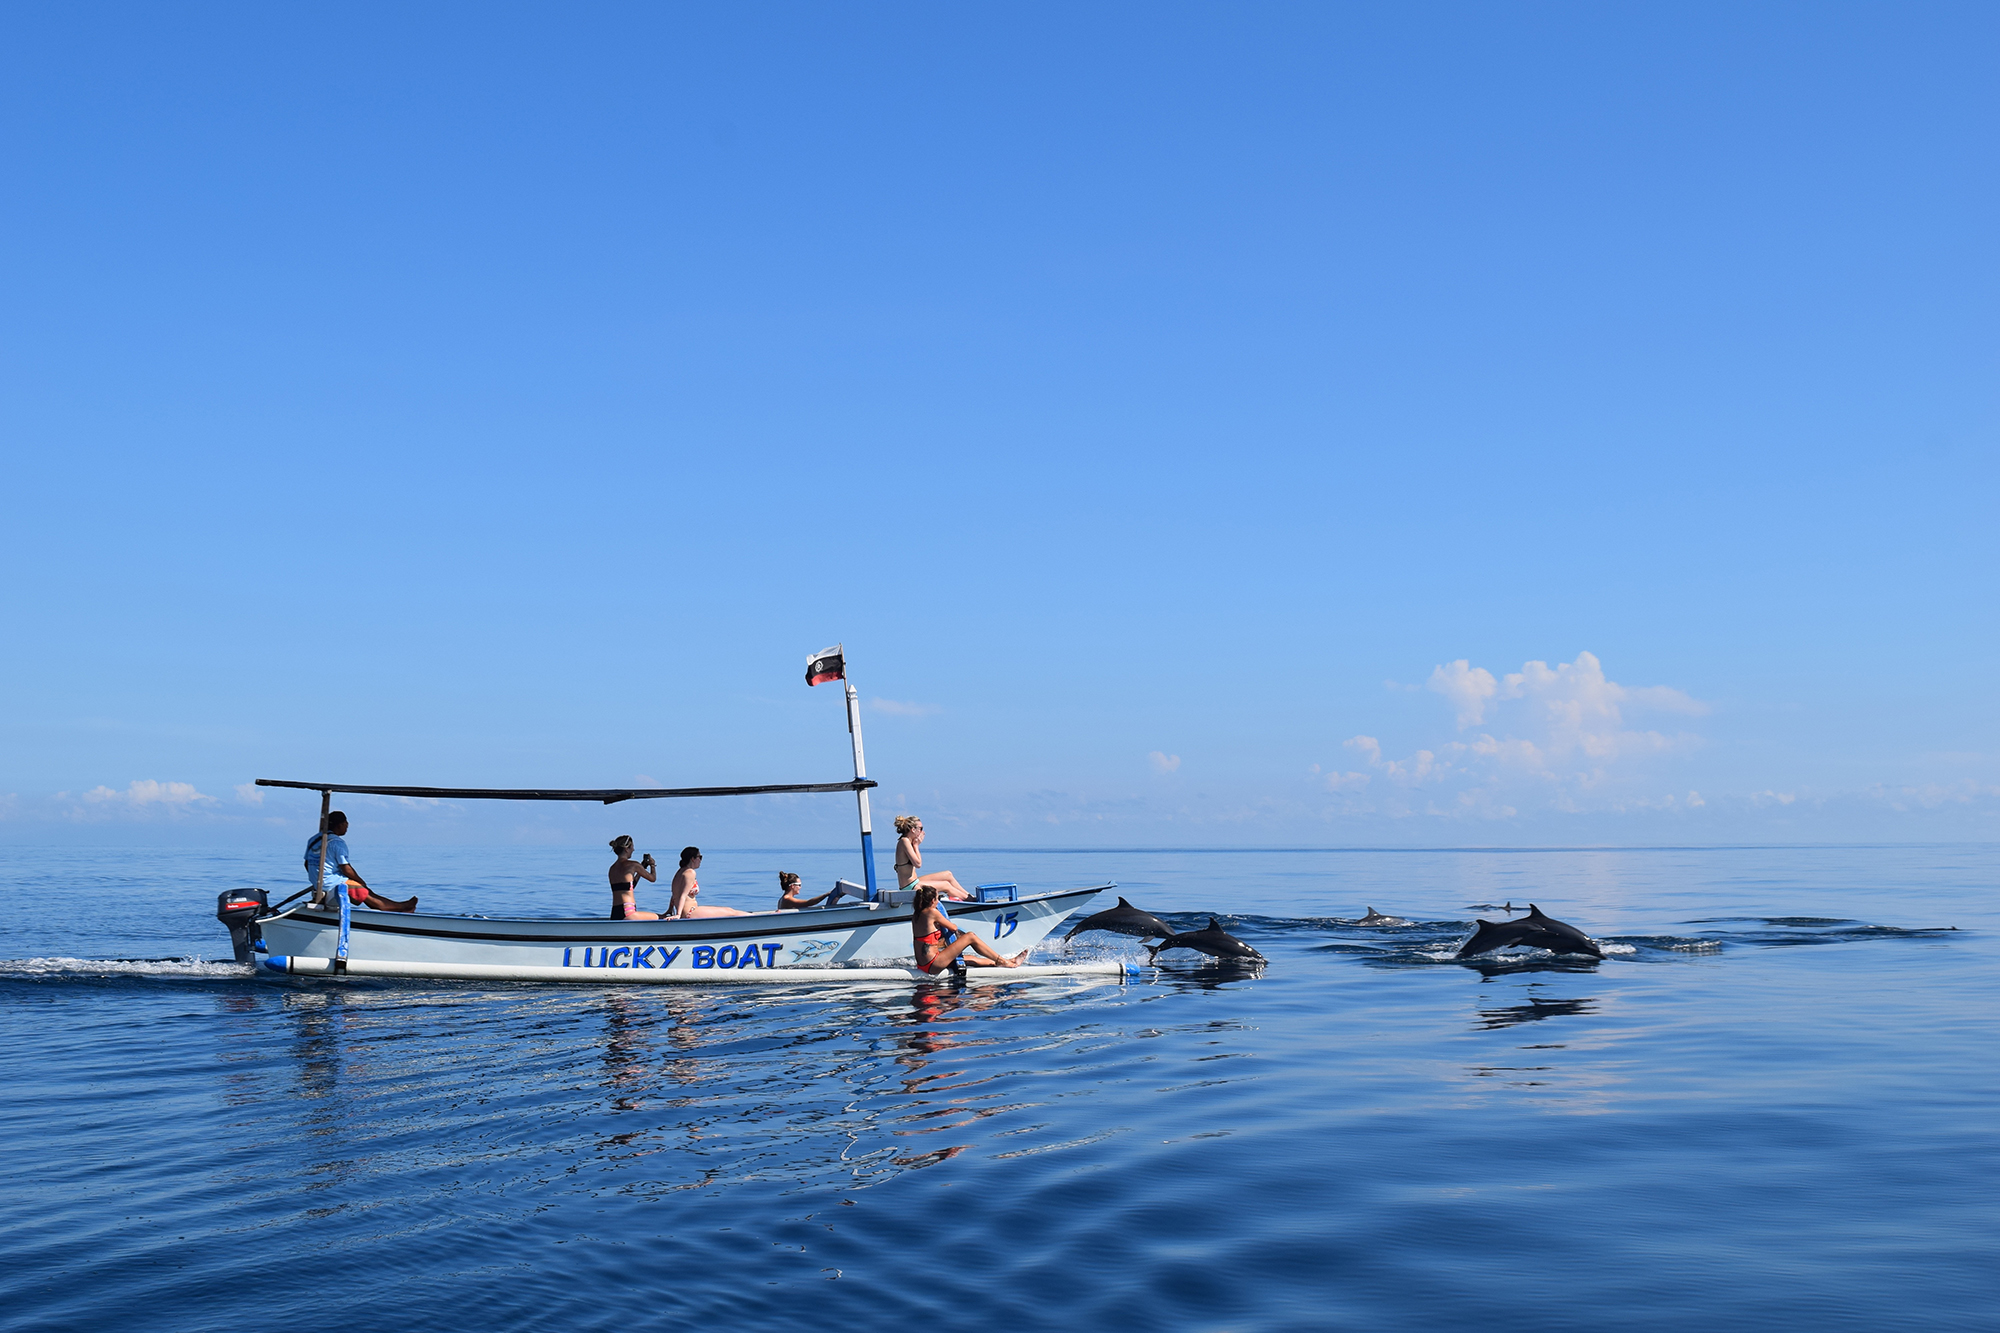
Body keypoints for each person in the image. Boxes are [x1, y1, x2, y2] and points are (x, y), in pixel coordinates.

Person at [305, 812, 418, 912]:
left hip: (319, 882)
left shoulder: (313, 839)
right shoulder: (337, 842)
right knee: (362, 889)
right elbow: (346, 868)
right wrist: (360, 880)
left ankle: (396, 906)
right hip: (332, 882)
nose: (347, 827)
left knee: (365, 890)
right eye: (346, 824)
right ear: (340, 825)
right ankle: (399, 907)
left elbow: (306, 864)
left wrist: (318, 879)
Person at [910, 884, 1024, 973]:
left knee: (970, 958)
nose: (938, 901)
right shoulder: (932, 912)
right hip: (933, 963)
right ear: (932, 901)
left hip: (923, 964)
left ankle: (1008, 962)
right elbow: (953, 928)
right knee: (970, 936)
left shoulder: (917, 914)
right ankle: (1002, 961)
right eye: (937, 898)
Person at [894, 815, 970, 899]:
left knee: (948, 874)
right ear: (913, 829)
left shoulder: (908, 841)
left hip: (915, 881)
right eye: (921, 828)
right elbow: (918, 864)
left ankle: (969, 896)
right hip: (910, 887)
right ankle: (970, 901)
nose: (923, 832)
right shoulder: (904, 841)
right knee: (946, 885)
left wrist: (915, 844)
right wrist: (916, 846)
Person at [667, 847, 748, 919]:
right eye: (700, 857)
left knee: (729, 911)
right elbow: (683, 895)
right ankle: (753, 918)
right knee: (730, 912)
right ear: (693, 859)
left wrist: (669, 910)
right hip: (690, 912)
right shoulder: (690, 872)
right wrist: (678, 915)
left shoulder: (679, 872)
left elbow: (674, 894)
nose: (700, 860)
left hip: (686, 912)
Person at [608, 836, 661, 920]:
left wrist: (641, 868)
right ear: (626, 849)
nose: (633, 850)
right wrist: (652, 865)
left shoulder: (612, 868)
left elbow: (628, 887)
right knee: (662, 917)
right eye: (632, 847)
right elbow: (652, 878)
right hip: (628, 911)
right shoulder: (633, 865)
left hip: (615, 911)